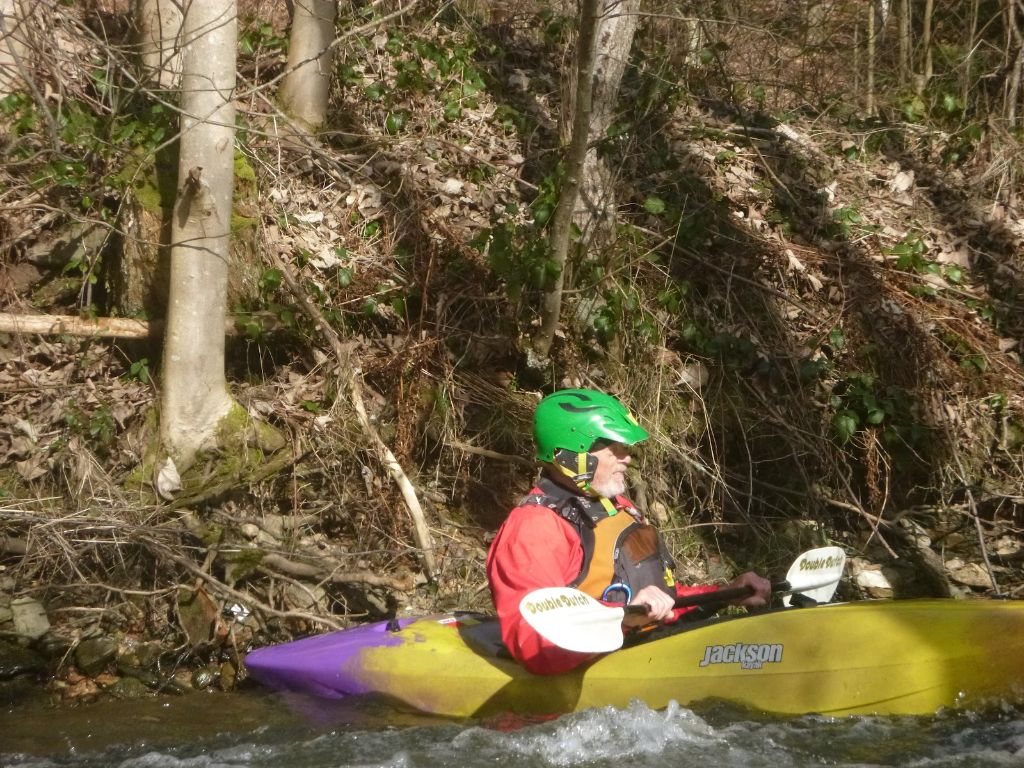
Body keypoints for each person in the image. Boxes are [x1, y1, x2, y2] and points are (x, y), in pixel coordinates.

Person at [486, 388, 771, 675]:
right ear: (573, 453)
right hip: (583, 674)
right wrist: (622, 620)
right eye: (615, 449)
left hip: (638, 650)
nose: (628, 458)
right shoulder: (535, 527)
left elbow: (660, 598)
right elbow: (535, 645)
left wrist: (724, 594)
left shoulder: (616, 507)